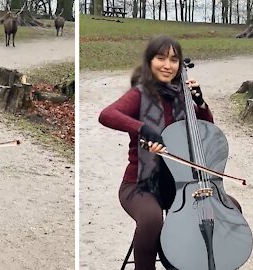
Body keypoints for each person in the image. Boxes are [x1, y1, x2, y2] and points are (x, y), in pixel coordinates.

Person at [98, 35, 242, 270]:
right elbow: (107, 114)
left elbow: (206, 131)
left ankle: (197, 262)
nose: (167, 65)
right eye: (161, 58)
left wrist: (200, 103)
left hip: (182, 185)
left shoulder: (182, 96)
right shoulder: (139, 94)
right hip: (141, 184)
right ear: (149, 61)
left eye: (174, 60)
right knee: (151, 219)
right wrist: (142, 128)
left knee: (231, 208)